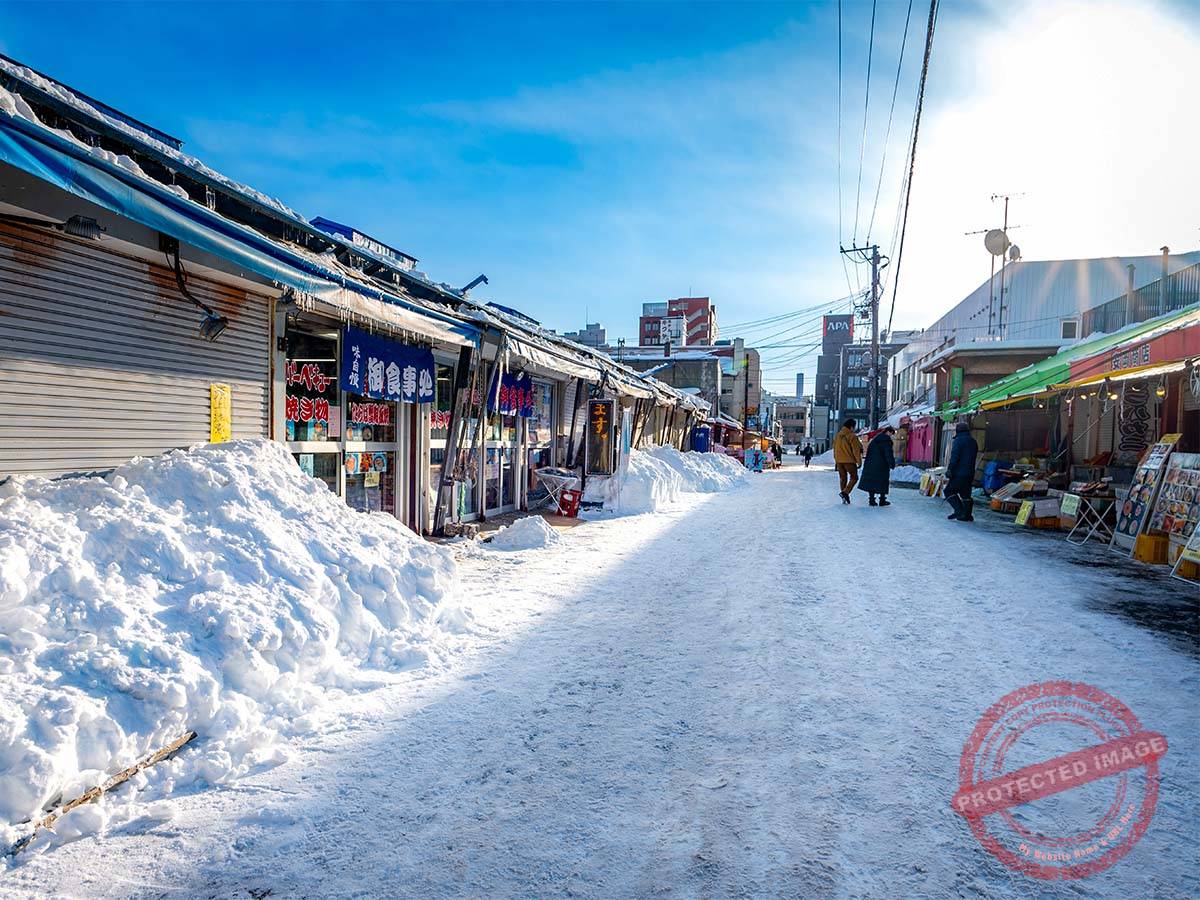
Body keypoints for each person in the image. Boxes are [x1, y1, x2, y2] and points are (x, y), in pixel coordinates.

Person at [945, 421, 979, 522]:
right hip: (970, 473)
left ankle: (959, 510)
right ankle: (967, 515)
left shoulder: (958, 441)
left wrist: (950, 469)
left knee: (949, 491)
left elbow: (955, 457)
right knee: (965, 494)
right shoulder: (973, 441)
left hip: (959, 473)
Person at [857, 426, 896, 506]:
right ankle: (882, 500)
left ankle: (871, 500)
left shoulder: (875, 439)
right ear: (888, 432)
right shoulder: (886, 440)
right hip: (882, 465)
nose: (891, 436)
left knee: (872, 482)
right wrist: (891, 463)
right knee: (883, 481)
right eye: (891, 434)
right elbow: (888, 453)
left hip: (871, 464)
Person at [832, 418, 863, 504]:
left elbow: (834, 448)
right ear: (851, 427)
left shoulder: (838, 435)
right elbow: (856, 450)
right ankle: (845, 493)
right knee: (854, 477)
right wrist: (859, 462)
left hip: (839, 461)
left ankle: (844, 497)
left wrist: (836, 459)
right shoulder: (852, 436)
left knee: (843, 478)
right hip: (849, 461)